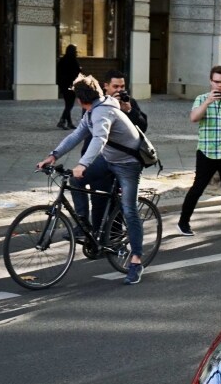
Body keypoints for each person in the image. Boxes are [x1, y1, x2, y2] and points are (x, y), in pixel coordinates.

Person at [38, 79, 148, 285]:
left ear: (80, 100)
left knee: (130, 209)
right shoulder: (93, 110)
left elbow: (100, 138)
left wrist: (83, 164)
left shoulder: (103, 111)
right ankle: (83, 223)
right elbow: (77, 135)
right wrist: (53, 156)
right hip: (109, 159)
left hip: (128, 164)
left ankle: (136, 261)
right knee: (74, 179)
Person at [180, 64, 221, 238]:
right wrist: (207, 102)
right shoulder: (201, 98)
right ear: (211, 81)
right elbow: (194, 118)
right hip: (207, 152)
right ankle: (183, 222)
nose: (220, 85)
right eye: (216, 82)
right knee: (197, 188)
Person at [103, 68, 147, 134]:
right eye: (115, 86)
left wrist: (130, 111)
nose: (119, 90)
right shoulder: (99, 101)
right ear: (106, 86)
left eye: (122, 86)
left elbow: (143, 128)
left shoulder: (130, 101)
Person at [55, 45, 80, 129]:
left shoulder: (62, 61)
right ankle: (62, 120)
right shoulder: (73, 61)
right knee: (70, 104)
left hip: (63, 85)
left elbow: (58, 74)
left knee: (68, 104)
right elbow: (77, 73)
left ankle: (69, 122)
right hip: (70, 85)